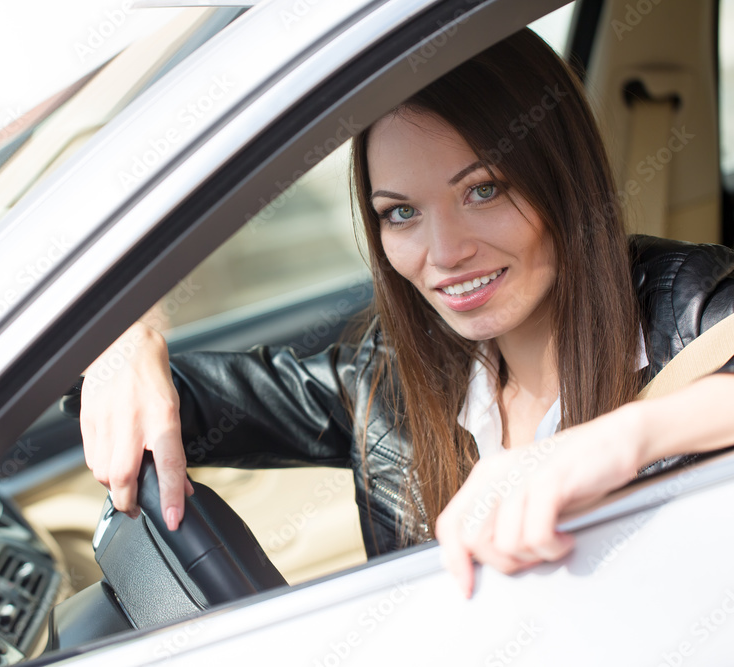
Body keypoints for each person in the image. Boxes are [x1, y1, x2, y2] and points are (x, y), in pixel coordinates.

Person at [79, 28, 734, 598]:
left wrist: (619, 441)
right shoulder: (385, 387)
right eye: (401, 213)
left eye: (484, 189)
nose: (444, 253)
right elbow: (146, 405)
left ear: (561, 174)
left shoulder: (687, 302)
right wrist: (127, 338)